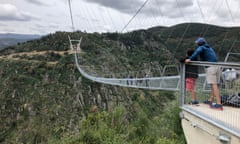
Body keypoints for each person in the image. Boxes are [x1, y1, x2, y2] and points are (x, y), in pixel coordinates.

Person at [185, 37, 223, 110]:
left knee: (214, 85)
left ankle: (219, 104)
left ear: (199, 43)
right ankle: (210, 100)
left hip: (210, 67)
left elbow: (197, 52)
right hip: (217, 66)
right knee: (214, 84)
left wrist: (190, 59)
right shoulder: (209, 48)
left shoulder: (201, 48)